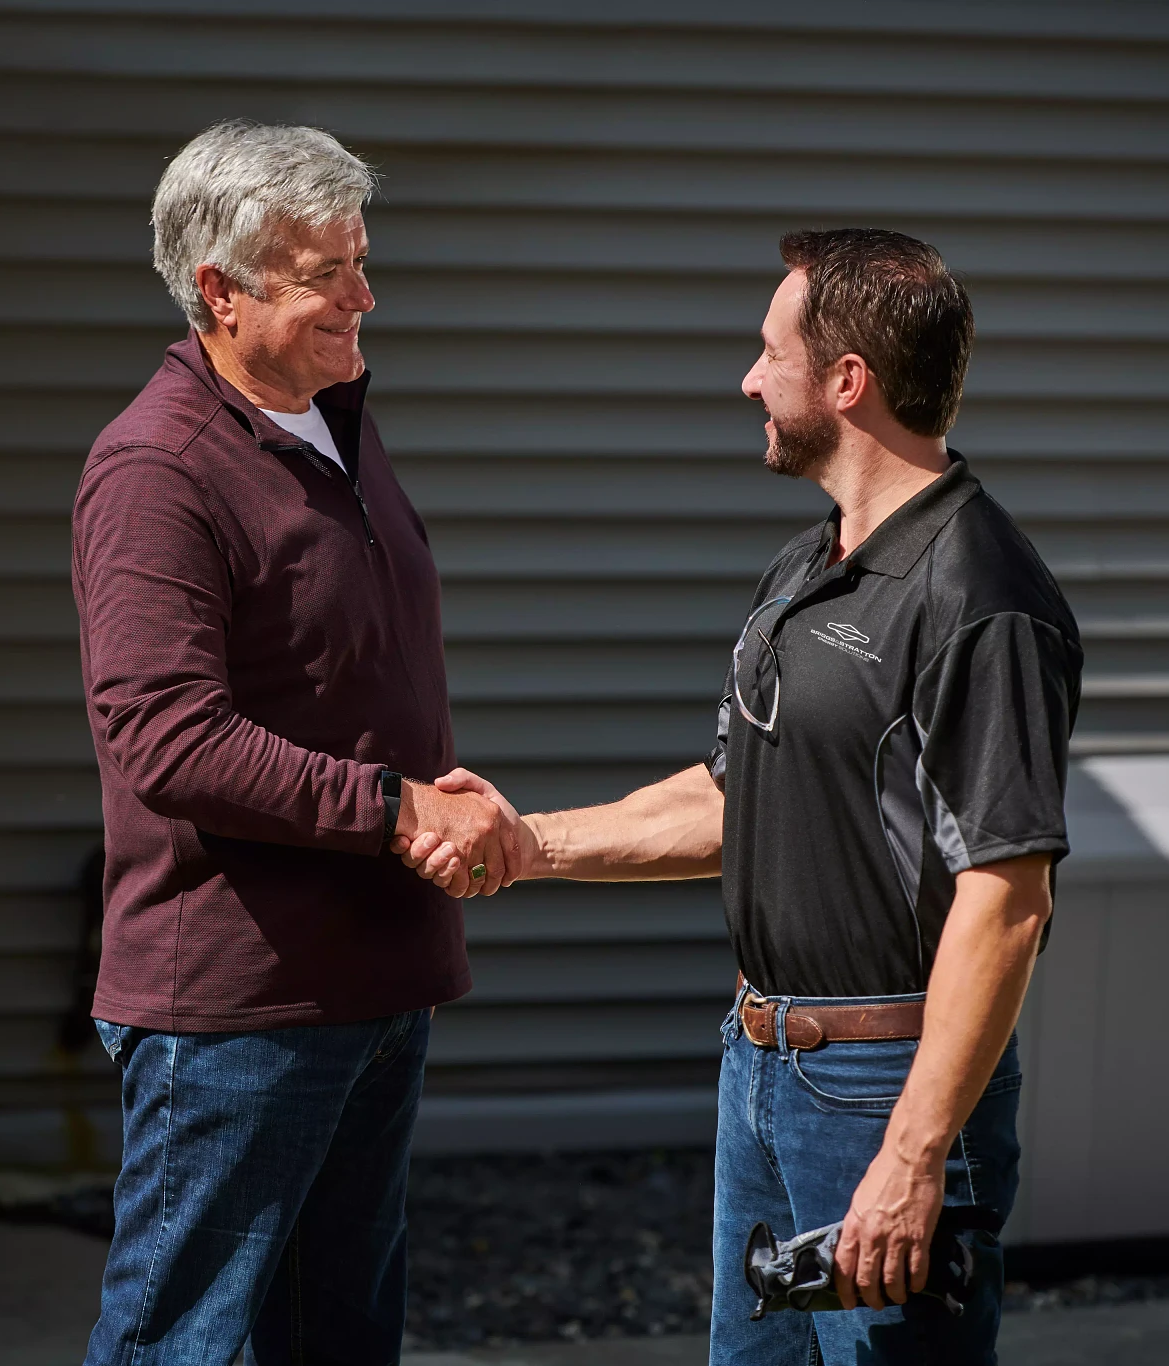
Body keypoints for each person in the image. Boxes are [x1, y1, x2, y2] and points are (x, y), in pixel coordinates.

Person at [400, 228, 1083, 1363]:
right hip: (762, 1063)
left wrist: (913, 1152)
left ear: (847, 381)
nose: (749, 379)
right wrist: (526, 841)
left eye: (771, 353)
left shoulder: (980, 596)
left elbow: (1007, 899)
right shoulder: (806, 569)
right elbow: (736, 798)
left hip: (882, 1084)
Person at [71, 119, 519, 1365]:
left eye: (360, 262)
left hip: (374, 982)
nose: (363, 297)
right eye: (329, 274)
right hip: (240, 1008)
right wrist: (398, 807)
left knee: (336, 1341)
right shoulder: (157, 466)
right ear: (221, 290)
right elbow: (165, 737)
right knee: (182, 1343)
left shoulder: (332, 425)